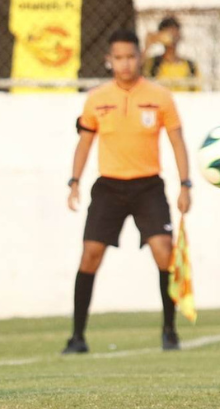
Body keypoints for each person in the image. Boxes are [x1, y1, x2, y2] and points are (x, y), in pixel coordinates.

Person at [64, 29, 192, 354]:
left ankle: (169, 331)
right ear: (110, 60)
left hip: (148, 185)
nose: (125, 63)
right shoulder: (96, 99)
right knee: (90, 255)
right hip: (109, 187)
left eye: (131, 57)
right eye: (118, 58)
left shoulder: (160, 96)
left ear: (140, 57)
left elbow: (177, 141)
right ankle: (77, 337)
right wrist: (74, 181)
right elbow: (85, 142)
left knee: (164, 251)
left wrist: (185, 184)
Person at [143, 17, 198, 90]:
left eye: (175, 33)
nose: (173, 37)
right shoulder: (153, 63)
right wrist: (147, 46)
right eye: (168, 33)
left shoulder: (191, 66)